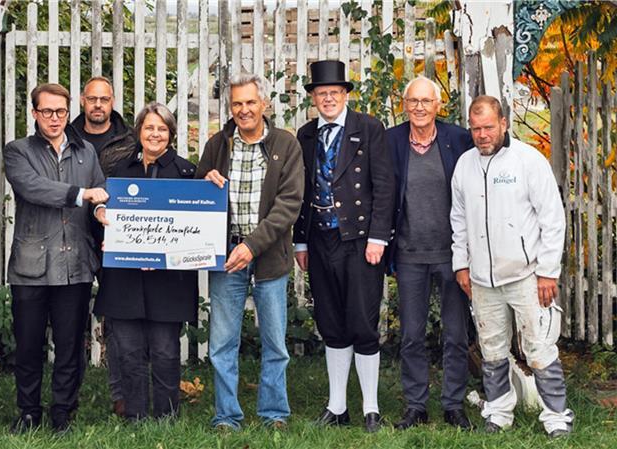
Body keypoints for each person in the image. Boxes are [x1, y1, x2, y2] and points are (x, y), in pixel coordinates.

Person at [450, 95, 573, 438]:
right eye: (476, 129)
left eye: (489, 127)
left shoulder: (528, 161)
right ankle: (499, 412)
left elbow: (552, 219)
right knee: (491, 350)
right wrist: (461, 264)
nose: (482, 135)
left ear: (504, 123)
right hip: (482, 279)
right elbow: (458, 219)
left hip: (527, 275)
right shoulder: (464, 165)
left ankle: (557, 417)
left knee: (539, 347)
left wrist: (548, 271)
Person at [197, 73, 304, 430]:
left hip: (269, 256)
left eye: (250, 102)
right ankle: (227, 416)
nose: (244, 110)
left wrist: (251, 246)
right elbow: (198, 198)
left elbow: (289, 205)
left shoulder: (285, 144)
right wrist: (205, 181)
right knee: (222, 343)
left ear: (264, 104)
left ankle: (274, 413)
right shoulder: (218, 144)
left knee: (275, 342)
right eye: (237, 104)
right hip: (227, 255)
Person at [293, 60, 395, 432]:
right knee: (331, 322)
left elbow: (384, 186)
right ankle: (337, 407)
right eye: (322, 93)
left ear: (346, 95)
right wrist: (300, 240)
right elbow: (300, 191)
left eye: (334, 92)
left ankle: (370, 408)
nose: (328, 99)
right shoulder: (305, 134)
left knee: (363, 322)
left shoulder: (368, 128)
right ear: (313, 98)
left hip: (360, 240)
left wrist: (378, 237)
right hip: (319, 240)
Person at [4, 83, 108, 435]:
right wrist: (82, 194)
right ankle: (29, 411)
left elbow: (99, 194)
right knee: (29, 345)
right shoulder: (18, 151)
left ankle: (63, 411)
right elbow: (32, 188)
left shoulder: (86, 152)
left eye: (60, 111)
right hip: (31, 266)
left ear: (68, 111)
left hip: (75, 264)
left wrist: (101, 211)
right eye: (46, 111)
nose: (54, 118)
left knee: (70, 346)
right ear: (34, 113)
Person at [92, 102, 198, 421]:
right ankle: (135, 414)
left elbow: (197, 229)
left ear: (171, 133)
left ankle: (166, 415)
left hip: (168, 280)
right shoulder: (119, 172)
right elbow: (100, 211)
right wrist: (102, 220)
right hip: (125, 278)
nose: (155, 134)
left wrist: (165, 254)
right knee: (128, 349)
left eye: (161, 129)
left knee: (165, 350)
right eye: (149, 127)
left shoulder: (188, 174)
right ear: (139, 131)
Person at [385, 75, 474, 430]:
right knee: (411, 335)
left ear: (438, 105)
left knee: (456, 334)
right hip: (409, 254)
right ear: (404, 105)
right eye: (413, 101)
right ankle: (416, 405)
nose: (419, 107)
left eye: (426, 101)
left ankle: (454, 405)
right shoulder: (391, 141)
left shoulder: (458, 139)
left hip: (451, 255)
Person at [67, 76, 137, 417]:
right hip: (73, 235)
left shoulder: (130, 140)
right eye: (92, 98)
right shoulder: (65, 136)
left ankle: (121, 395)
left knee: (118, 321)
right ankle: (68, 397)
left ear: (112, 102)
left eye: (104, 99)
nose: (98, 105)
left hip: (116, 237)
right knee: (71, 320)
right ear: (83, 100)